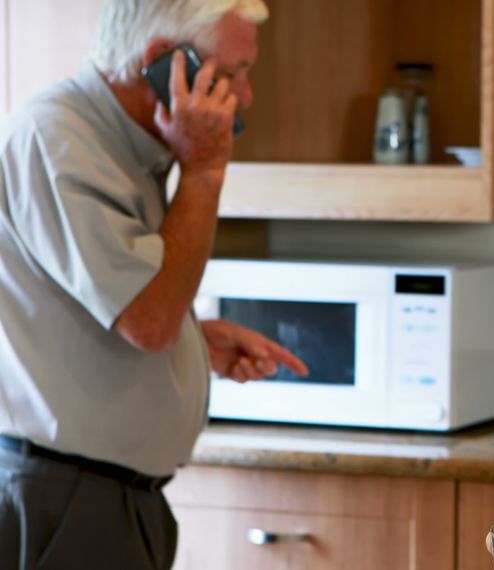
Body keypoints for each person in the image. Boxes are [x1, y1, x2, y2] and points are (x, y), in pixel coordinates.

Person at [0, 1, 307, 568]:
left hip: (104, 498)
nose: (246, 97)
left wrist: (195, 339)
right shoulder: (62, 141)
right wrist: (205, 170)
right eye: (234, 73)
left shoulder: (125, 146)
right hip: (67, 500)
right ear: (166, 62)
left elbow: (112, 303)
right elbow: (149, 319)